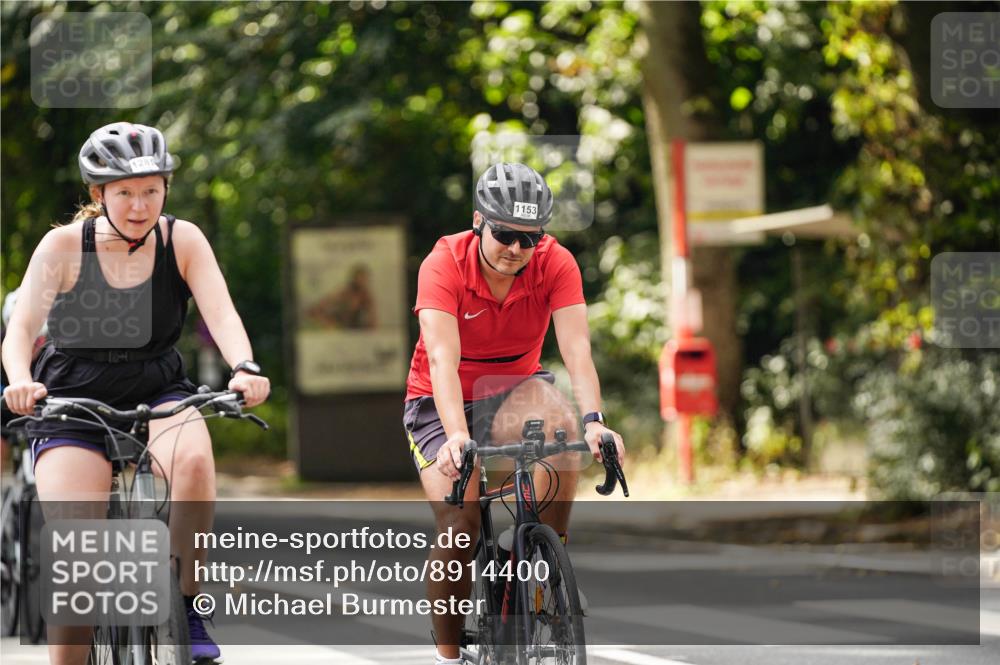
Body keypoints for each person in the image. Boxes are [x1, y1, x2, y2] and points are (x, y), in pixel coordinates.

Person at [1, 122, 270, 665]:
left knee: (194, 463)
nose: (140, 204)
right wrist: (20, 381)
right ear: (98, 195)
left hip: (159, 387)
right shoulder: (62, 245)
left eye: (151, 189)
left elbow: (222, 313)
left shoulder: (182, 239)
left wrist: (244, 367)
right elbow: (22, 328)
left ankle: (188, 603)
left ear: (167, 188)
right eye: (124, 191)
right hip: (71, 397)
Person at [402, 162, 626, 664]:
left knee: (562, 433)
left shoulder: (555, 262)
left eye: (530, 239)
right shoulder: (443, 263)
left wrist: (595, 422)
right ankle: (450, 654)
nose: (516, 250)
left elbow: (577, 351)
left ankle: (544, 565)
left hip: (517, 384)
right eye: (504, 234)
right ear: (479, 220)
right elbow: (442, 359)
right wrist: (458, 437)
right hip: (441, 398)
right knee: (461, 526)